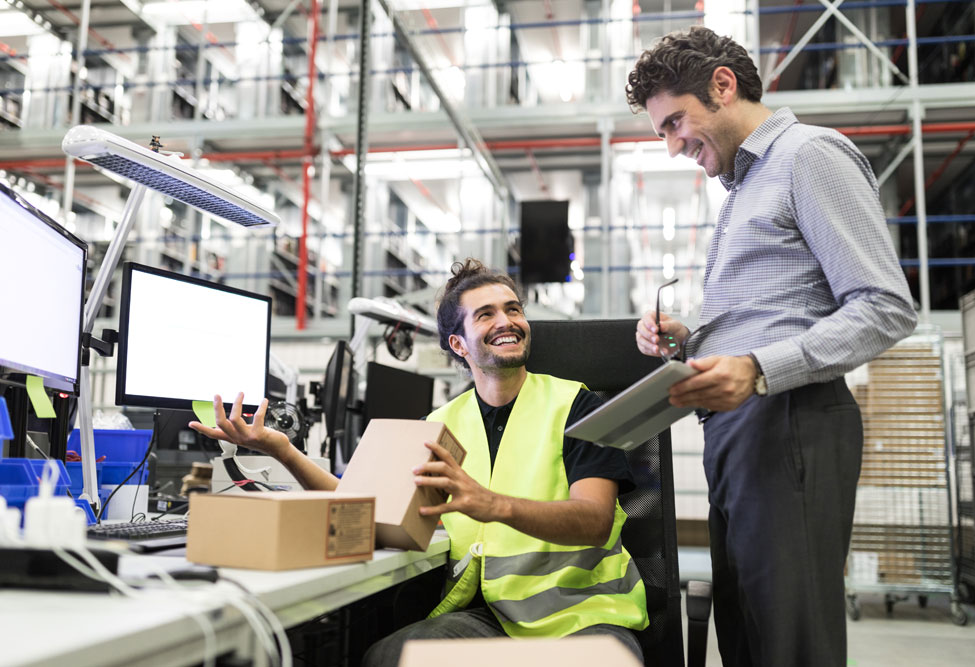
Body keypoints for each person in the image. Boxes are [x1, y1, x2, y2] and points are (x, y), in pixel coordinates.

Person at [625, 26, 917, 667]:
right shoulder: (743, 188)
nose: (674, 146)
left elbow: (886, 306)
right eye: (662, 133)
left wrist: (758, 368)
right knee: (748, 632)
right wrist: (691, 339)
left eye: (676, 122)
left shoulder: (809, 156)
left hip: (790, 420)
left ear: (722, 86)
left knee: (790, 640)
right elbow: (777, 312)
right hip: (741, 429)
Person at [189, 258, 648, 666]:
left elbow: (593, 520)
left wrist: (489, 503)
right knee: (390, 655)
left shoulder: (577, 406)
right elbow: (364, 508)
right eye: (485, 314)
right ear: (459, 344)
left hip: (586, 616)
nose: (507, 321)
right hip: (493, 618)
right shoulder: (440, 424)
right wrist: (281, 450)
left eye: (513, 309)